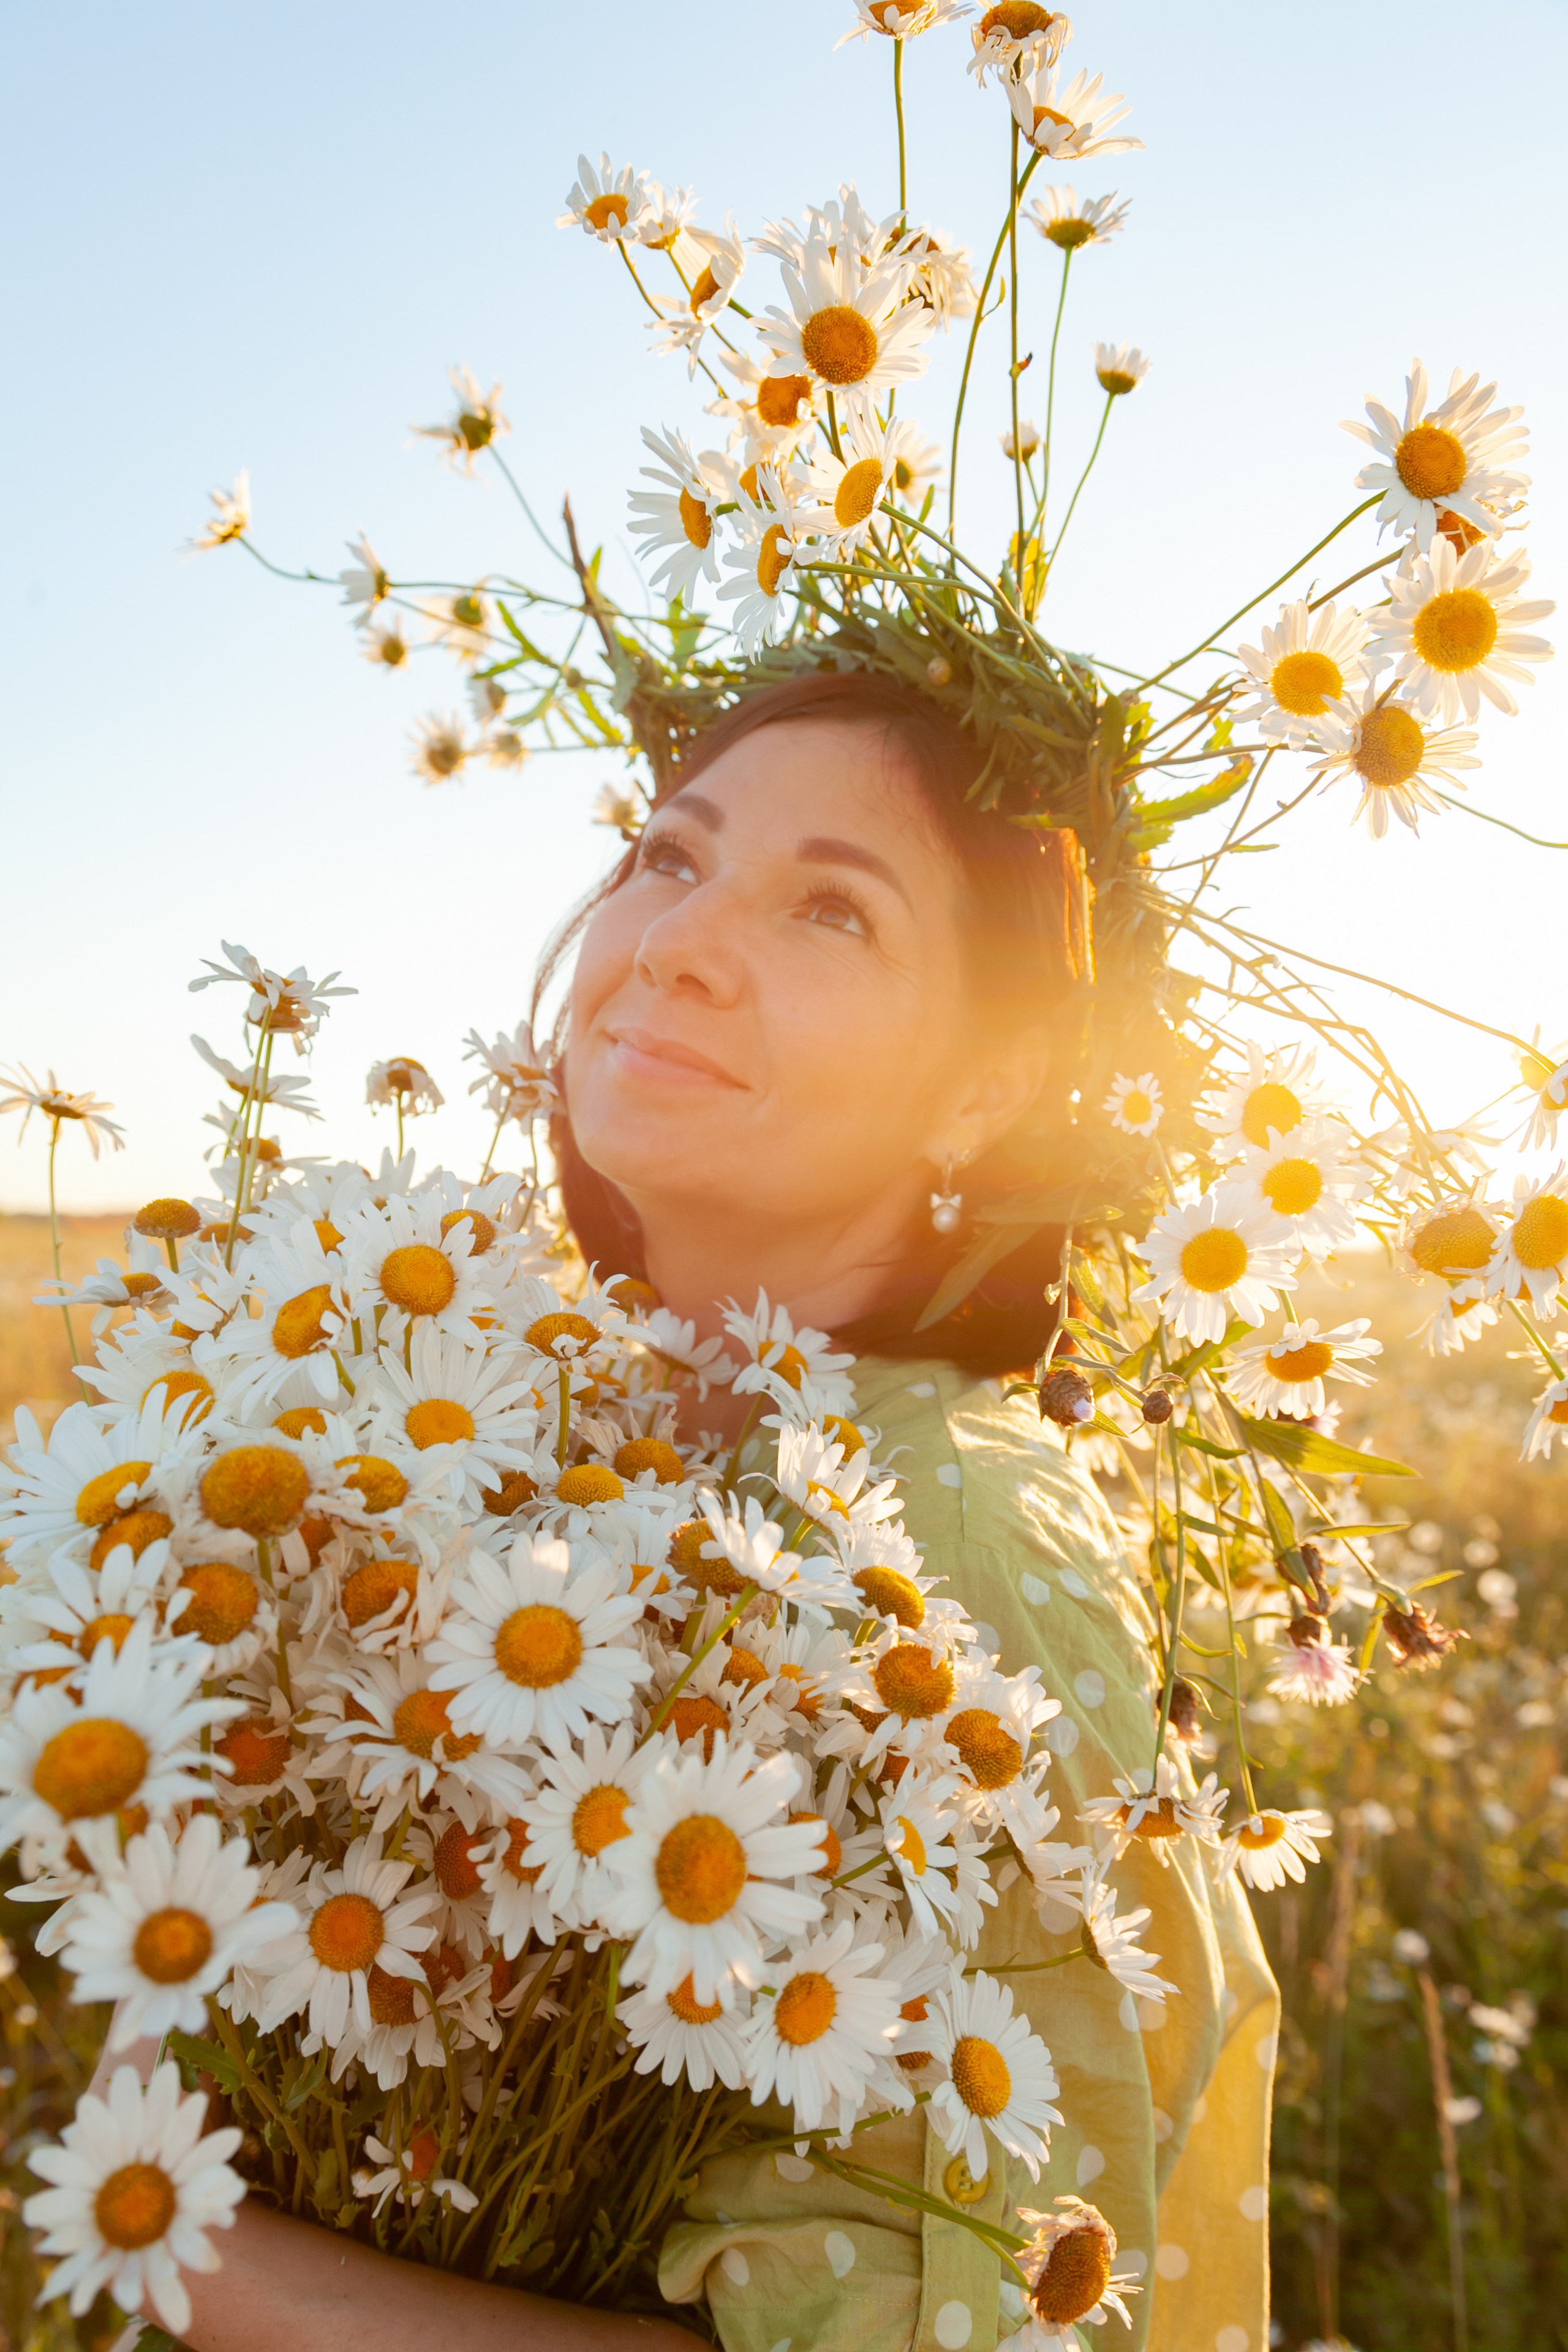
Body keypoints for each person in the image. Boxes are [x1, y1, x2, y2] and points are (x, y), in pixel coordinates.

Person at [91, 673, 1276, 2352]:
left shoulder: (956, 1562)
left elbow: (994, 2327)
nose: (676, 940)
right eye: (668, 856)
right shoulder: (524, 1433)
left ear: (986, 1092)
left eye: (831, 911)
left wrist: (203, 2259)